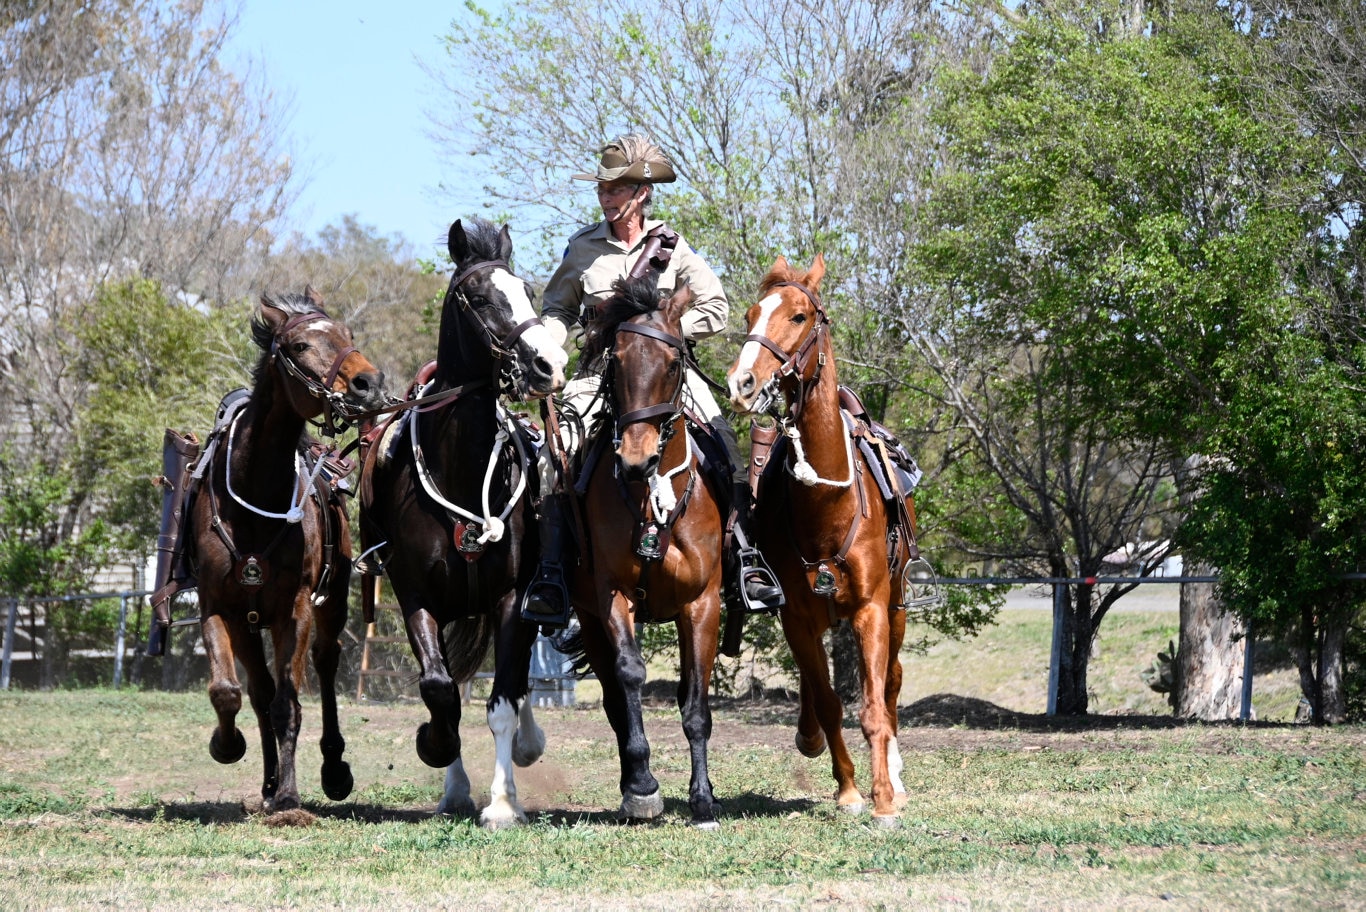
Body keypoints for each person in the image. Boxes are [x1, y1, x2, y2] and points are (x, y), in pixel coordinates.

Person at [521, 133, 782, 629]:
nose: (606, 196)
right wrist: (550, 344)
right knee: (551, 458)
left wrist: (659, 335)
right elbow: (557, 307)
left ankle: (744, 560)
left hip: (665, 375)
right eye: (603, 188)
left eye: (616, 188)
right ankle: (553, 573)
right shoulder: (583, 249)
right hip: (599, 376)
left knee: (723, 444)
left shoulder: (673, 247)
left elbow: (718, 309)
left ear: (641, 193)